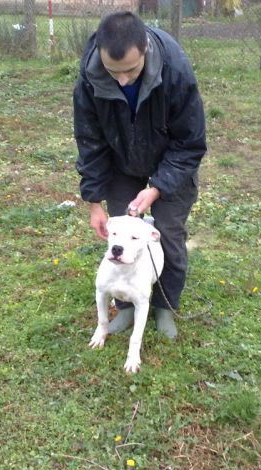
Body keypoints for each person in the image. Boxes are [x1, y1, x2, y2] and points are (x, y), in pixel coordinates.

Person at [73, 11, 206, 340]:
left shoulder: (175, 70)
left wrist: (158, 187)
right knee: (122, 235)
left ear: (145, 48)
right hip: (122, 161)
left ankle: (164, 304)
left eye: (130, 70)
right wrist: (93, 202)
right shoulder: (90, 77)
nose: (122, 80)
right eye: (112, 71)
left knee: (169, 234)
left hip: (171, 160)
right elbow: (90, 141)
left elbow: (190, 142)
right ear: (100, 53)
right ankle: (127, 307)